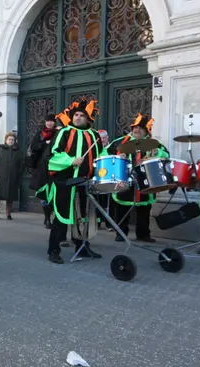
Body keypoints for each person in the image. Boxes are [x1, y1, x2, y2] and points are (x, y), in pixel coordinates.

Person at [46, 99, 104, 264]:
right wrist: (70, 161)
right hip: (65, 182)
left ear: (88, 118)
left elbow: (102, 154)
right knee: (62, 216)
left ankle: (83, 246)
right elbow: (53, 154)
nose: (78, 118)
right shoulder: (64, 132)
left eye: (82, 115)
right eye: (76, 115)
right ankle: (53, 250)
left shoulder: (94, 136)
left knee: (83, 215)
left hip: (85, 182)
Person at [107, 114, 168, 243]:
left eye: (140, 128)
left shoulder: (154, 143)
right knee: (122, 207)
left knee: (144, 209)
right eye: (135, 127)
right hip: (124, 178)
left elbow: (166, 154)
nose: (136, 130)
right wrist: (117, 157)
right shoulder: (119, 142)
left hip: (146, 179)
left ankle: (143, 234)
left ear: (146, 131)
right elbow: (104, 154)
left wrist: (158, 153)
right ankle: (120, 233)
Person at [27, 114, 58, 229]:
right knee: (44, 193)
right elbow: (33, 147)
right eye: (48, 121)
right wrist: (45, 143)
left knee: (54, 193)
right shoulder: (40, 134)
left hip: (54, 167)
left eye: (52, 121)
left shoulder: (58, 133)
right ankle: (47, 217)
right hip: (41, 168)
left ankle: (53, 215)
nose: (49, 123)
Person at [0, 132, 24, 220]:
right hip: (1, 178)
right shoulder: (0, 150)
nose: (11, 141)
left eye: (13, 140)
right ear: (6, 140)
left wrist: (18, 177)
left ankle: (8, 213)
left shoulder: (18, 152)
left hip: (12, 178)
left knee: (10, 198)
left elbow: (21, 166)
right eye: (9, 139)